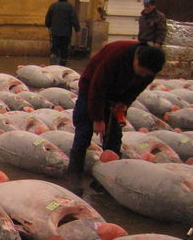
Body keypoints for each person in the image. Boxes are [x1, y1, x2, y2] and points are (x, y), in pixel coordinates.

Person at [65, 41, 166, 191]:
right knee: (84, 133)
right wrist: (98, 119)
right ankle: (74, 178)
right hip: (91, 91)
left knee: (114, 137)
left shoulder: (149, 68)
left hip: (116, 95)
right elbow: (97, 87)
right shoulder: (116, 55)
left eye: (148, 74)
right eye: (142, 71)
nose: (144, 75)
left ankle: (106, 179)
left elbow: (136, 89)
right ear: (136, 59)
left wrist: (124, 102)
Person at [44, 0, 79, 66]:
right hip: (66, 33)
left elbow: (48, 18)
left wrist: (48, 26)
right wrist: (77, 29)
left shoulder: (53, 6)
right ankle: (62, 66)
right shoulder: (70, 7)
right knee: (64, 50)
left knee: (54, 49)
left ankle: (53, 65)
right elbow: (74, 19)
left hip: (55, 32)